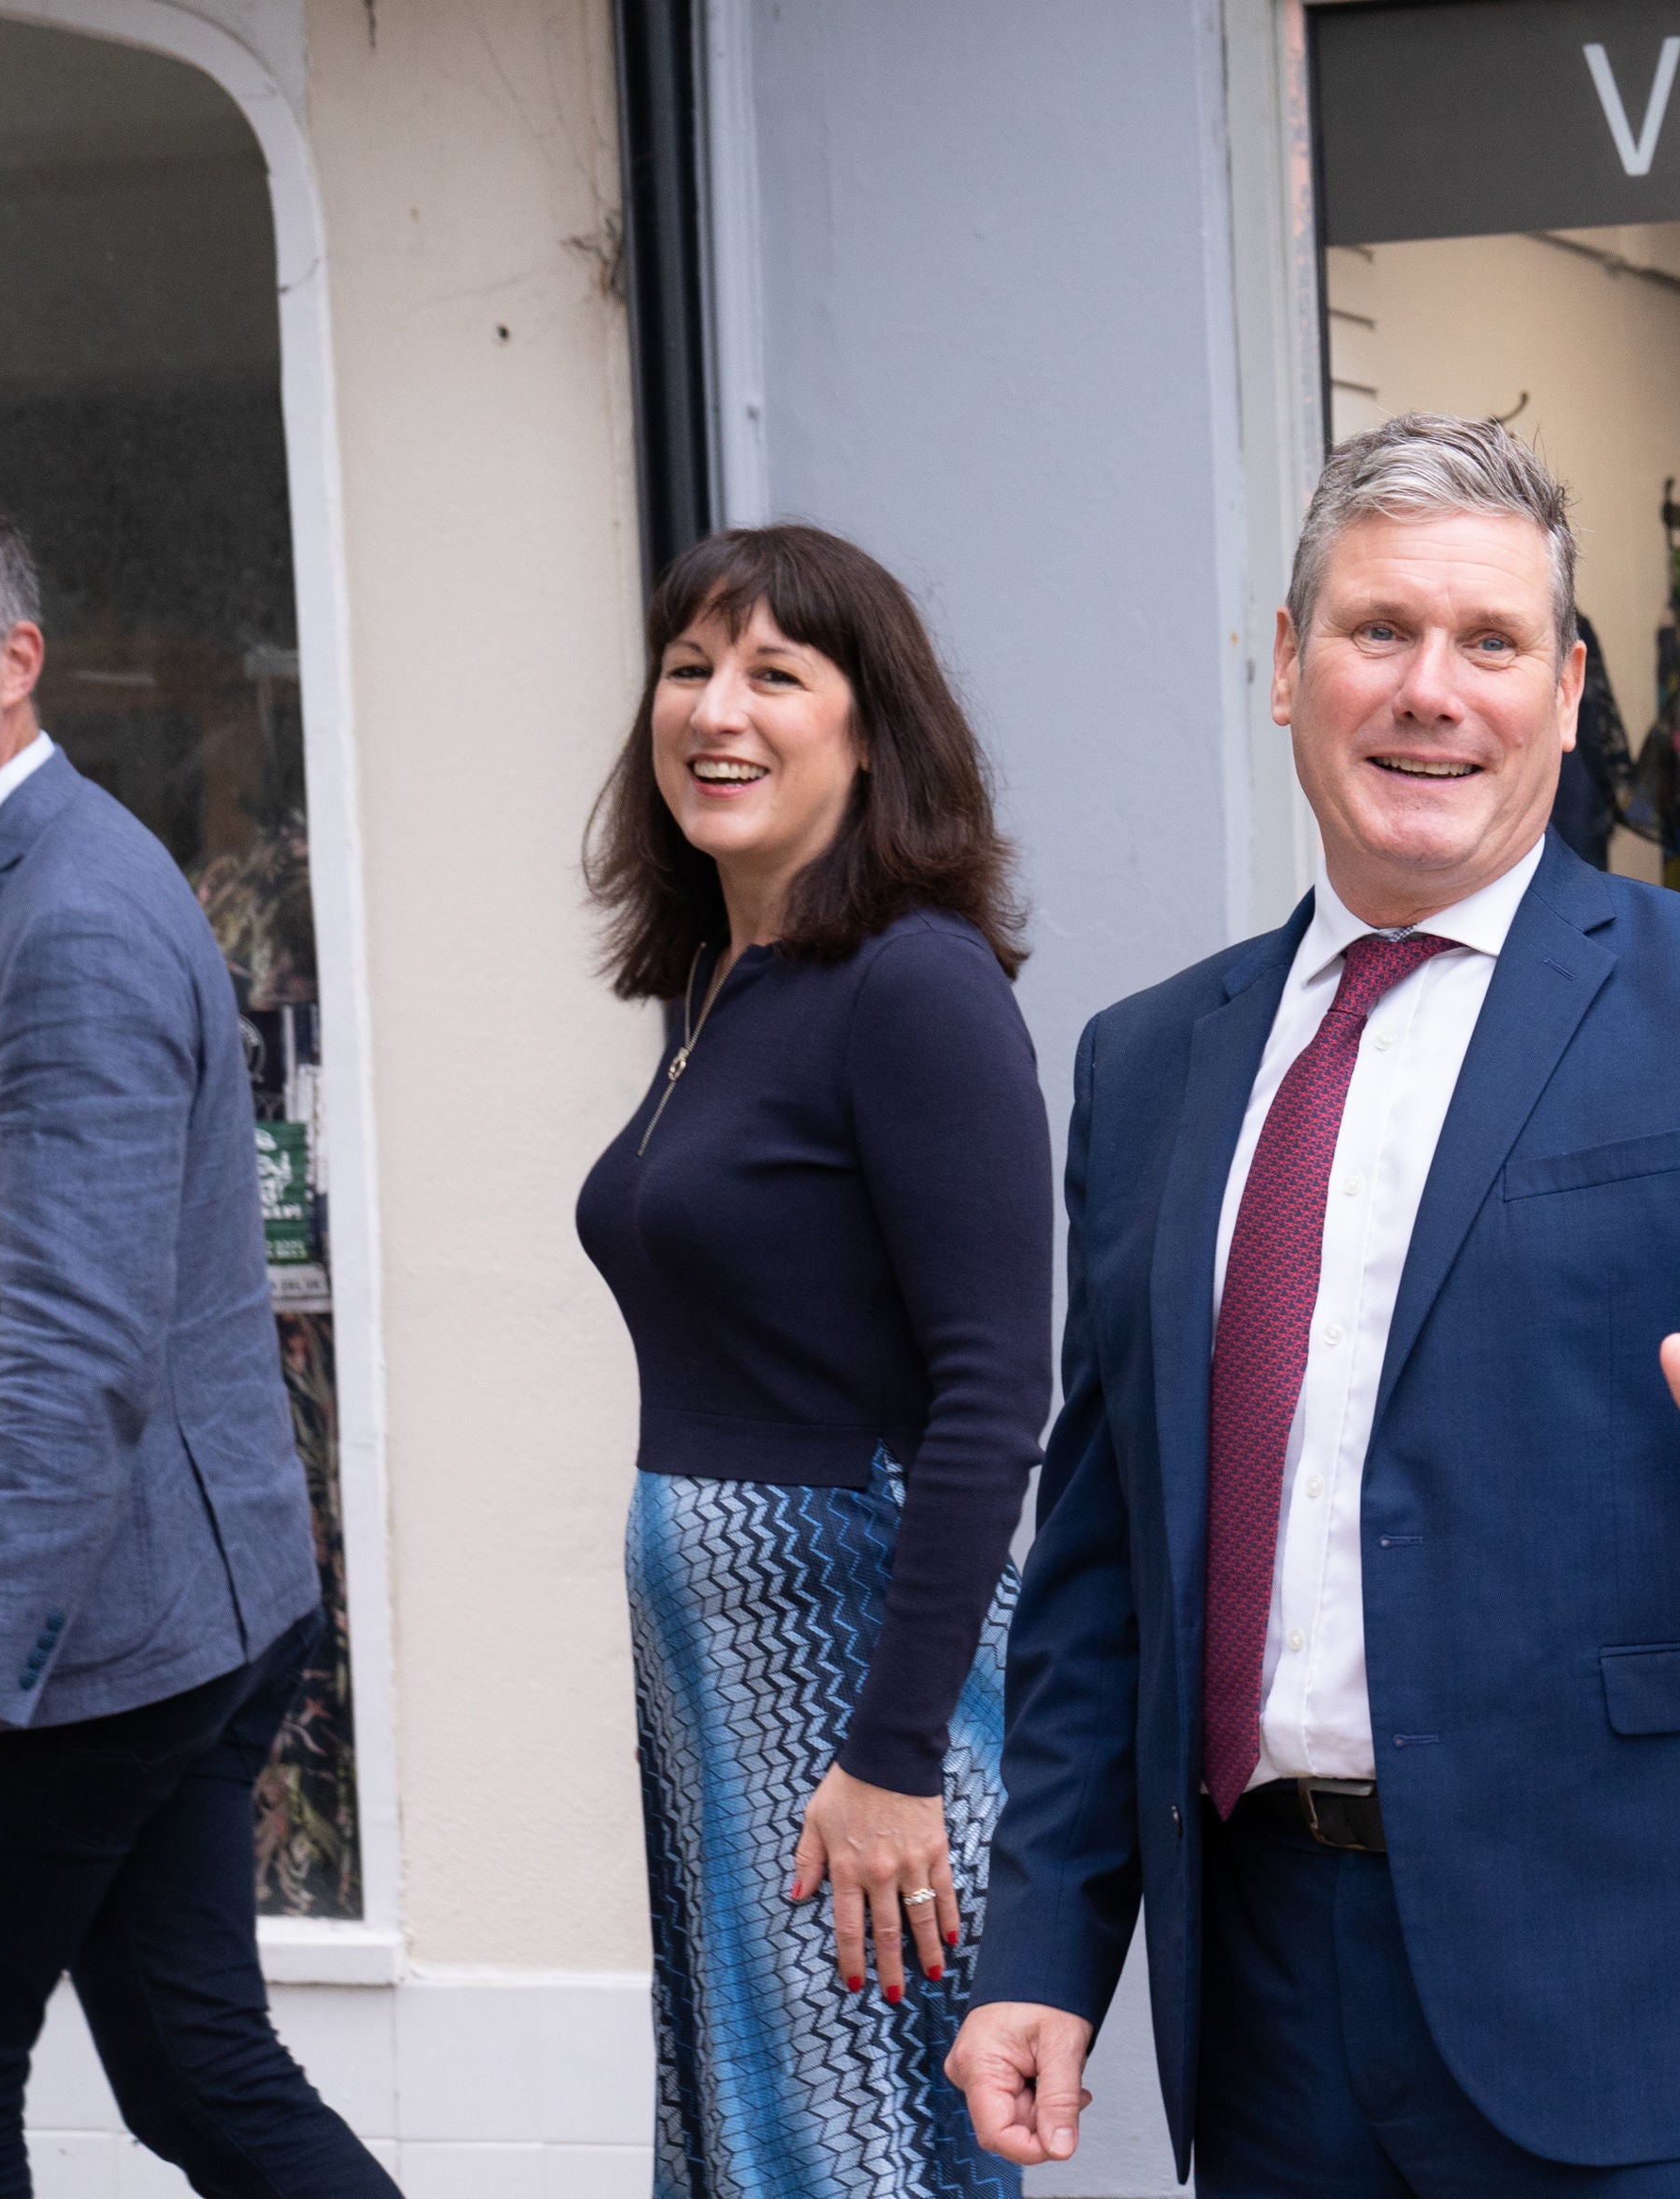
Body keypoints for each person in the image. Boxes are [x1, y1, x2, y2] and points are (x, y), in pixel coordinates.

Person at [949, 415, 1680, 2196]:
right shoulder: (1148, 1065)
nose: (1435, 690)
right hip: (1270, 2006)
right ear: (1286, 666)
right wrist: (1047, 1948)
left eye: (1492, 643)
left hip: (1638, 2000)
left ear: (1569, 692)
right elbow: (1103, 1564)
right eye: (1379, 632)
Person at [0, 467, 388, 2194]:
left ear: (16, 653)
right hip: (154, 1606)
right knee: (198, 2070)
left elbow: (78, 1346)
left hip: (86, 1651)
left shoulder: (68, 921)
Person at [579, 525, 1050, 2196]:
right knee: (752, 2152)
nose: (721, 708)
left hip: (852, 1699)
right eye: (693, 666)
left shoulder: (912, 984)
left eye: (778, 672)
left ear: (872, 727)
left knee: (859, 2162)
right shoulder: (723, 981)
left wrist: (894, 1756)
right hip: (723, 1693)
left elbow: (997, 1391)